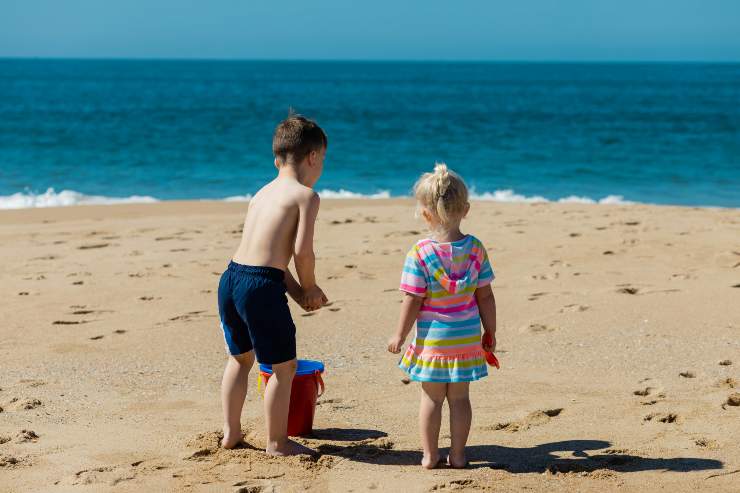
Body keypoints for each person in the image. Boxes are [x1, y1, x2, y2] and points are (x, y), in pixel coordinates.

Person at [218, 114, 328, 455]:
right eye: (322, 160)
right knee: (284, 368)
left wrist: (297, 295)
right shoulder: (305, 196)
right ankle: (277, 442)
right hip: (261, 288)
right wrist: (309, 287)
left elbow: (269, 259)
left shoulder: (261, 193)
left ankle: (231, 432)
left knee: (240, 360)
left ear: (278, 157)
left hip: (232, 278)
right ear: (312, 157)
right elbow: (301, 253)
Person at [387, 163, 497, 469]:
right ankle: (459, 455)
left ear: (425, 214)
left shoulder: (420, 253)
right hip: (465, 341)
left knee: (432, 400)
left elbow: (412, 299)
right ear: (466, 210)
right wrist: (491, 331)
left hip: (433, 344)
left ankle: (430, 455)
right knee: (460, 399)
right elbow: (485, 296)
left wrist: (399, 334)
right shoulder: (475, 249)